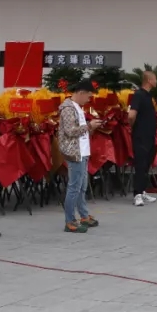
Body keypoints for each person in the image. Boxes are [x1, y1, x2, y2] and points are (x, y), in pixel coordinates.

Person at [57, 81, 102, 233]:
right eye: (88, 96)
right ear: (81, 93)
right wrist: (89, 126)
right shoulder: (68, 109)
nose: (89, 100)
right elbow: (70, 131)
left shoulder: (77, 108)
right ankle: (69, 221)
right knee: (74, 187)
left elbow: (78, 130)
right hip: (75, 152)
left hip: (82, 151)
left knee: (82, 187)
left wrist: (90, 126)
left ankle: (83, 215)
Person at [127, 70, 157, 207]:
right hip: (140, 136)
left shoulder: (148, 96)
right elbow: (131, 115)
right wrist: (134, 127)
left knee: (146, 164)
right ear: (149, 80)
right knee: (140, 164)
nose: (156, 81)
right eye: (155, 79)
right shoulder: (138, 95)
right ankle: (137, 194)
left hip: (150, 135)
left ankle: (142, 190)